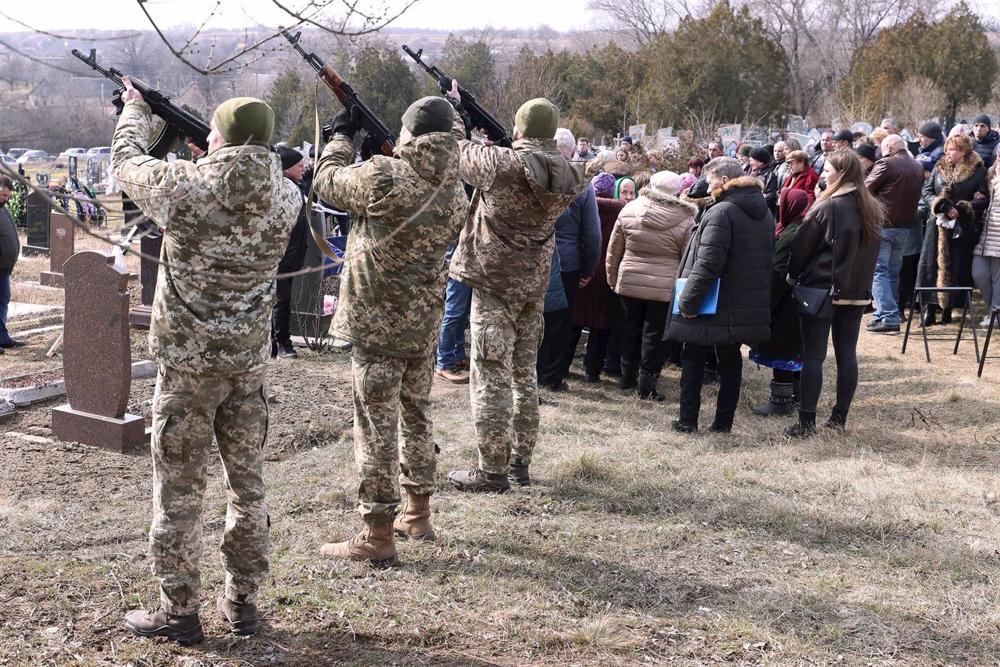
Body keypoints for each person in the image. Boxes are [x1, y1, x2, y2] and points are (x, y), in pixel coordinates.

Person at [112, 78, 301, 643]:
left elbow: (125, 161)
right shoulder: (288, 196)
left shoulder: (185, 188)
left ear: (219, 138)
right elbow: (238, 191)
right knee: (248, 486)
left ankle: (179, 613)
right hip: (247, 365)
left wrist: (134, 110)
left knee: (178, 490)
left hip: (188, 370)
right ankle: (242, 603)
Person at [311, 96, 466, 565]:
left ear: (411, 134)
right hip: (422, 323)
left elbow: (325, 183)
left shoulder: (386, 174)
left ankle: (377, 533)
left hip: (377, 323)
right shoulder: (456, 189)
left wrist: (340, 136)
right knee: (416, 414)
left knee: (375, 427)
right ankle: (418, 511)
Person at [446, 91, 583, 493]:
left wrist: (457, 110)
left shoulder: (501, 164)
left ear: (519, 128)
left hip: (494, 283)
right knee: (525, 378)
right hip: (534, 286)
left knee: (490, 377)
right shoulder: (569, 172)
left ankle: (491, 471)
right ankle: (520, 464)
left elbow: (455, 149)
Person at [666, 157, 774, 433]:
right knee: (730, 359)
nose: (707, 184)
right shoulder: (763, 212)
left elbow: (707, 264)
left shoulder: (722, 212)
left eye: (710, 178)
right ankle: (723, 423)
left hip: (712, 301)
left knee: (693, 358)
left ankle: (688, 421)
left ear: (724, 181)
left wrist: (688, 300)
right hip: (741, 303)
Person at [785, 149, 882, 436]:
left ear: (839, 174)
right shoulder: (872, 207)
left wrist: (792, 276)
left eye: (827, 170)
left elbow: (800, 249)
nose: (824, 174)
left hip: (822, 289)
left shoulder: (827, 207)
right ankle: (839, 419)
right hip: (855, 292)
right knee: (846, 355)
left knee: (813, 357)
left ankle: (806, 423)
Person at [606, 170, 694, 401]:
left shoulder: (630, 208)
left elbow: (614, 248)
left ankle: (626, 379)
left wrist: (612, 276)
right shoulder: (685, 219)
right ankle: (647, 385)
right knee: (655, 336)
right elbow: (687, 258)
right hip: (664, 286)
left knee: (630, 329)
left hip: (630, 278)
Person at [537, 127, 601, 390]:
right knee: (560, 321)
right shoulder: (581, 183)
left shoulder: (533, 174)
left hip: (532, 255)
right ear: (573, 150)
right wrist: (589, 268)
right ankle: (550, 376)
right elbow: (592, 232)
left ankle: (526, 371)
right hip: (567, 262)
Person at [750, 188, 811, 416]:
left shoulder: (790, 234)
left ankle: (780, 402)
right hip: (800, 302)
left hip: (786, 304)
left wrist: (766, 305)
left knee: (783, 353)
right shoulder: (803, 229)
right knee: (794, 353)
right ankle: (795, 396)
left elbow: (779, 275)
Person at [917, 133, 988, 326]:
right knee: (931, 266)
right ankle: (929, 309)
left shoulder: (978, 171)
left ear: (964, 151)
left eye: (953, 150)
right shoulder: (940, 166)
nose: (948, 153)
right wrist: (942, 206)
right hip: (937, 224)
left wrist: (963, 207)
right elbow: (927, 191)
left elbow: (983, 199)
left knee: (956, 267)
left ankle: (948, 309)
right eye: (947, 149)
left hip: (960, 228)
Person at [865, 134, 926, 334]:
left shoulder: (886, 163)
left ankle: (889, 316)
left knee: (878, 271)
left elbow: (865, 189)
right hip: (905, 227)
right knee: (891, 272)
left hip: (883, 223)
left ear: (890, 146)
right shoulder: (917, 166)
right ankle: (881, 315)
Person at [572, 172, 627, 381]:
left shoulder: (581, 206)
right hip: (606, 272)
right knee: (600, 324)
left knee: (574, 320)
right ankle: (593, 371)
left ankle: (562, 364)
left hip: (583, 270)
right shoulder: (621, 211)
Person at [271, 146, 309, 359]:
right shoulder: (282, 190)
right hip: (281, 256)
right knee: (281, 300)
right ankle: (282, 344)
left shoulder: (298, 187)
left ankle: (276, 343)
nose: (303, 167)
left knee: (283, 300)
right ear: (285, 169)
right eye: (298, 165)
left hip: (294, 256)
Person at [435, 247, 473, 383]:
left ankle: (458, 357)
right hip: (459, 262)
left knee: (463, 314)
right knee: (453, 313)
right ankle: (444, 364)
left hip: (471, 263)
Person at [0, 175, 24, 353]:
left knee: (3, 300)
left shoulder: (2, 208)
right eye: (3, 195)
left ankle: (2, 337)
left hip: (4, 268)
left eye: (7, 196)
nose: (5, 199)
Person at [973, 166, 1000, 324]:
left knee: (998, 279)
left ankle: (994, 315)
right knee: (979, 274)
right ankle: (993, 311)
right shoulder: (989, 177)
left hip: (997, 236)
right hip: (984, 235)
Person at [749, 145, 779, 217]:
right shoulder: (752, 173)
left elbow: (771, 196)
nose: (750, 163)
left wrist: (757, 198)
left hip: (763, 212)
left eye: (752, 160)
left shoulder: (770, 175)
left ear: (760, 161)